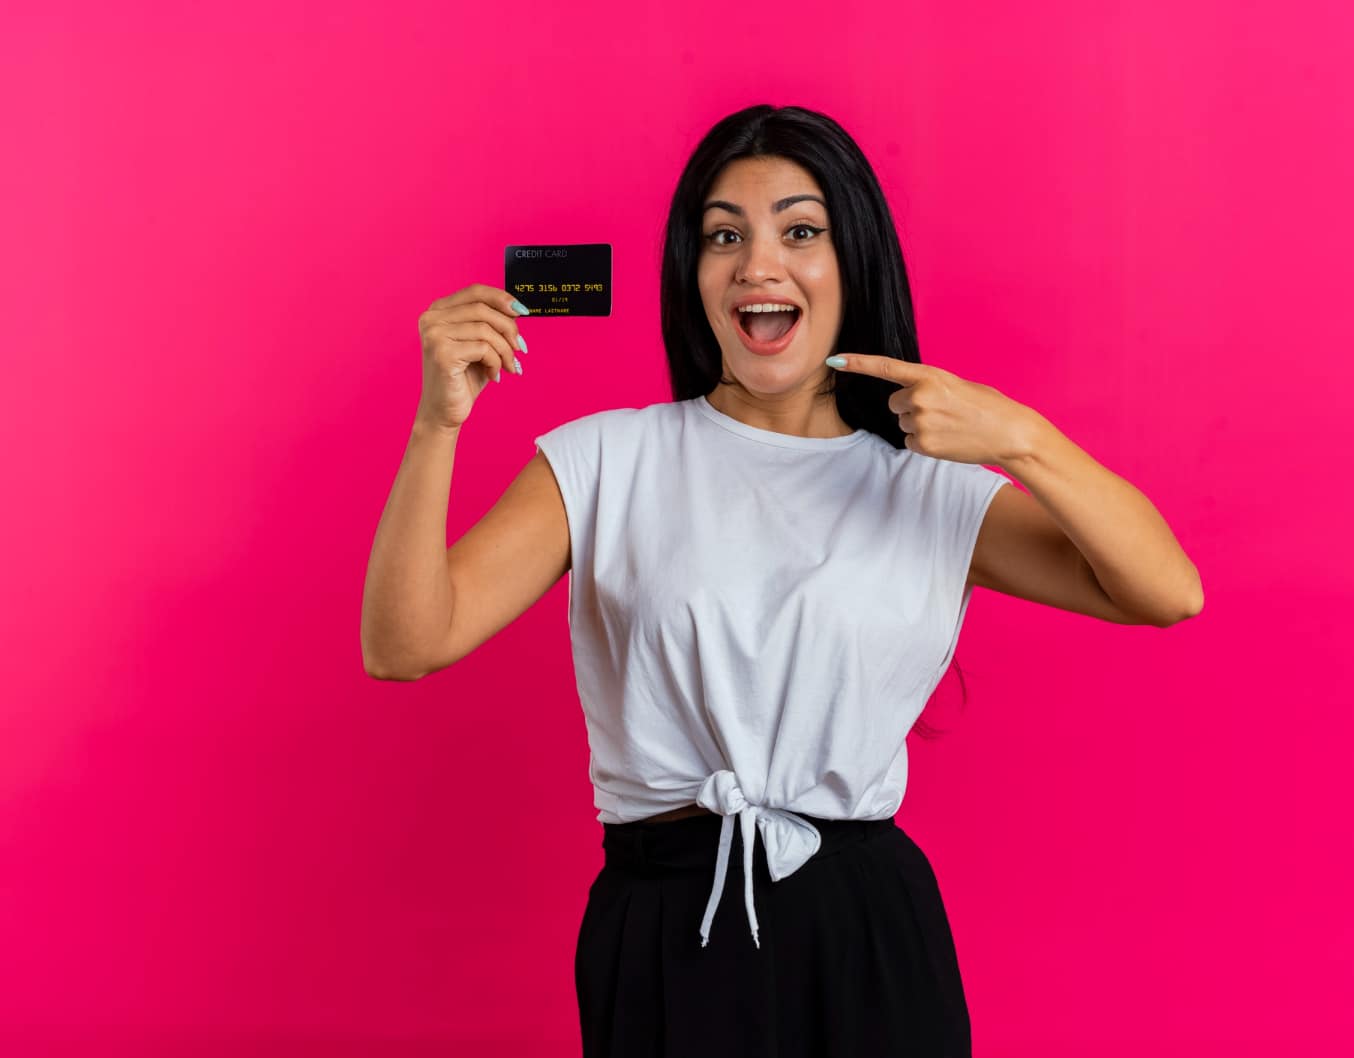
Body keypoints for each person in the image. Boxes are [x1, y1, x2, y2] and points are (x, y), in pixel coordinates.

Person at [361, 104, 1203, 1058]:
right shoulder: (608, 459)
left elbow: (1166, 590)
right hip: (666, 922)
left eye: (800, 231)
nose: (759, 264)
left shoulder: (925, 484)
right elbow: (403, 644)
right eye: (725, 236)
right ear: (694, 274)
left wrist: (1023, 437)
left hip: (866, 928)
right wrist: (438, 427)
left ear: (853, 264)